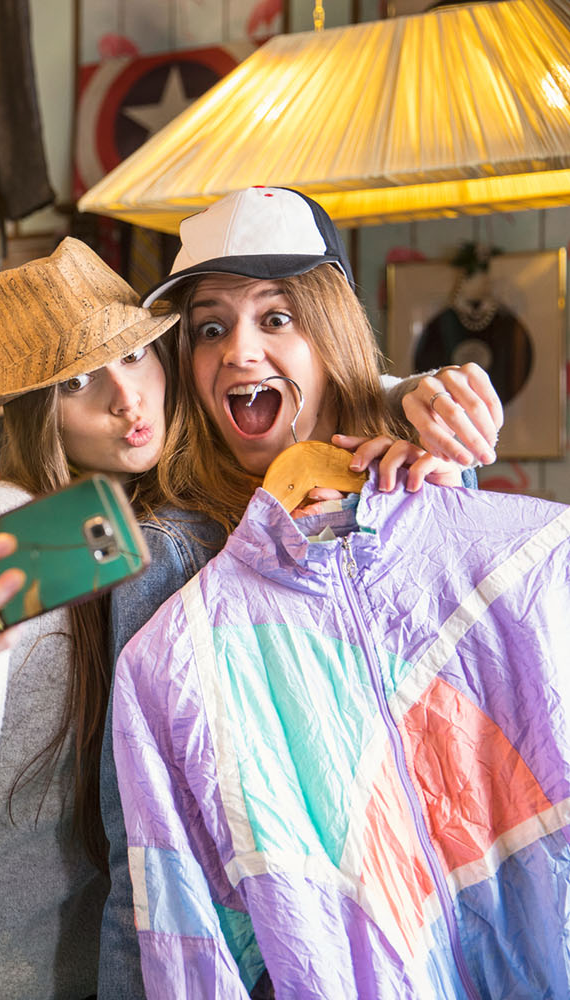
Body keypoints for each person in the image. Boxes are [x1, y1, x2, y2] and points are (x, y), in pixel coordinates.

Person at [0, 229, 498, 999]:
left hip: (87, 957)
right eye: (76, 383)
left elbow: (307, 383)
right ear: (40, 414)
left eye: (135, 355)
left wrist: (410, 399)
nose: (125, 399)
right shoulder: (18, 523)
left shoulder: (178, 504)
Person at [95, 186, 503, 999]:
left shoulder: (419, 489)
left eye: (276, 317)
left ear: (330, 331)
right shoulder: (169, 555)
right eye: (210, 328)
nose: (238, 351)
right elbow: (142, 848)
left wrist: (419, 446)